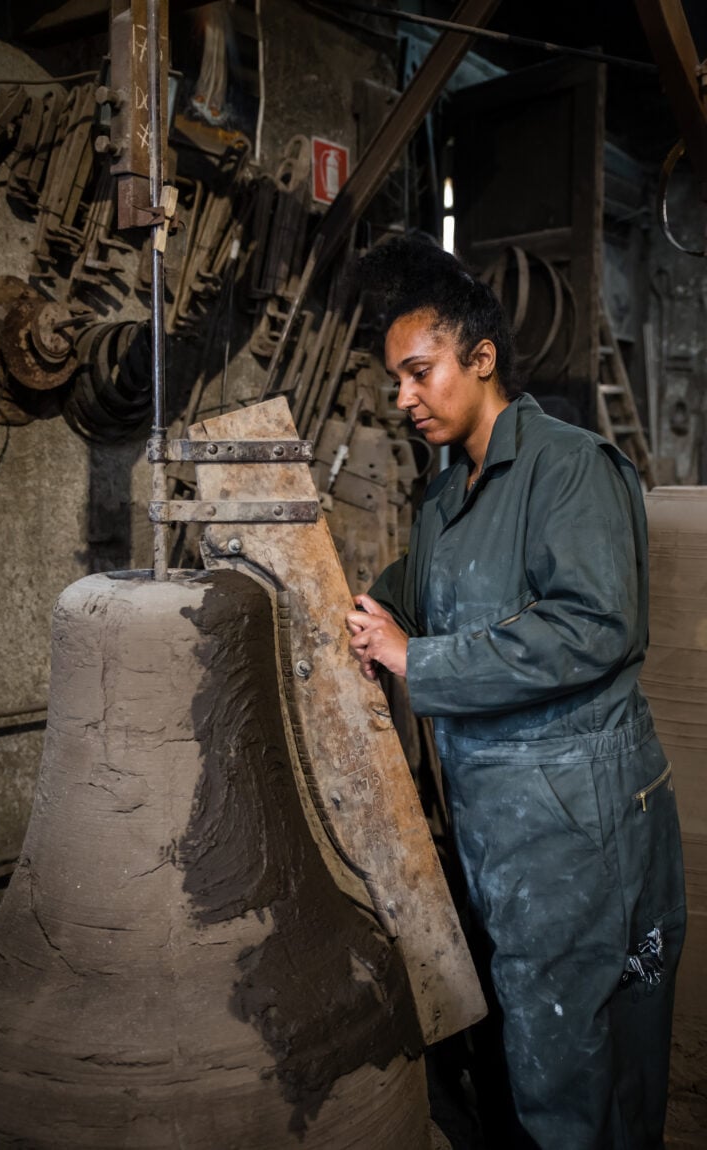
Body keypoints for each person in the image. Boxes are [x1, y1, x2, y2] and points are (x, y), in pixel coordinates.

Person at [346, 236, 686, 1150]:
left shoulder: (569, 468)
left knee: (579, 1078)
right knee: (544, 1063)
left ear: (482, 357)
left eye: (421, 373)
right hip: (504, 832)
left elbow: (594, 625)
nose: (406, 399)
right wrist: (363, 604)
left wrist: (421, 662)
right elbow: (428, 584)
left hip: (580, 834)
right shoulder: (449, 490)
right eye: (397, 381)